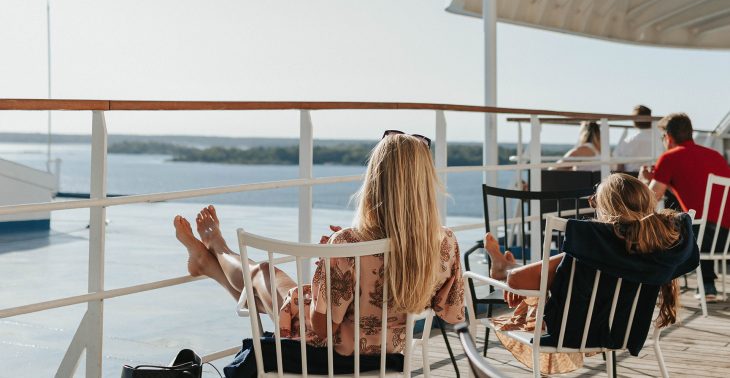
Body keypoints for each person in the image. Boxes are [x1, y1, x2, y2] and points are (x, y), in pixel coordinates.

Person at [173, 131, 464, 362]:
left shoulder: (349, 243)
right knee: (266, 290)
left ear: (374, 181)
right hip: (392, 352)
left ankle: (218, 248)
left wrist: (331, 266)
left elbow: (322, 327)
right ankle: (206, 263)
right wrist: (334, 265)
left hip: (331, 354)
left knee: (262, 274)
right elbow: (451, 313)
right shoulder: (445, 242)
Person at [484, 173, 698, 375]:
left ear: (606, 209)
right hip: (624, 332)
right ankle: (507, 267)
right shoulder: (662, 248)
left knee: (533, 278)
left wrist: (514, 277)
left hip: (572, 332)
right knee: (557, 275)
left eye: (595, 201)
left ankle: (505, 268)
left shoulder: (593, 244)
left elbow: (516, 281)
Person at [640, 112, 730, 301]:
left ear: (668, 137)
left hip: (705, 237)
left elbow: (650, 198)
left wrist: (643, 180)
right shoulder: (715, 156)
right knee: (698, 220)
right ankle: (707, 285)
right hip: (725, 238)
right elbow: (698, 189)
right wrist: (667, 181)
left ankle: (655, 285)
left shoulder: (669, 158)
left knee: (663, 224)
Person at [613, 104, 661, 173]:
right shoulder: (660, 139)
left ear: (634, 121)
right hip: (653, 175)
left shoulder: (627, 141)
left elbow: (620, 166)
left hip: (631, 177)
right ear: (650, 119)